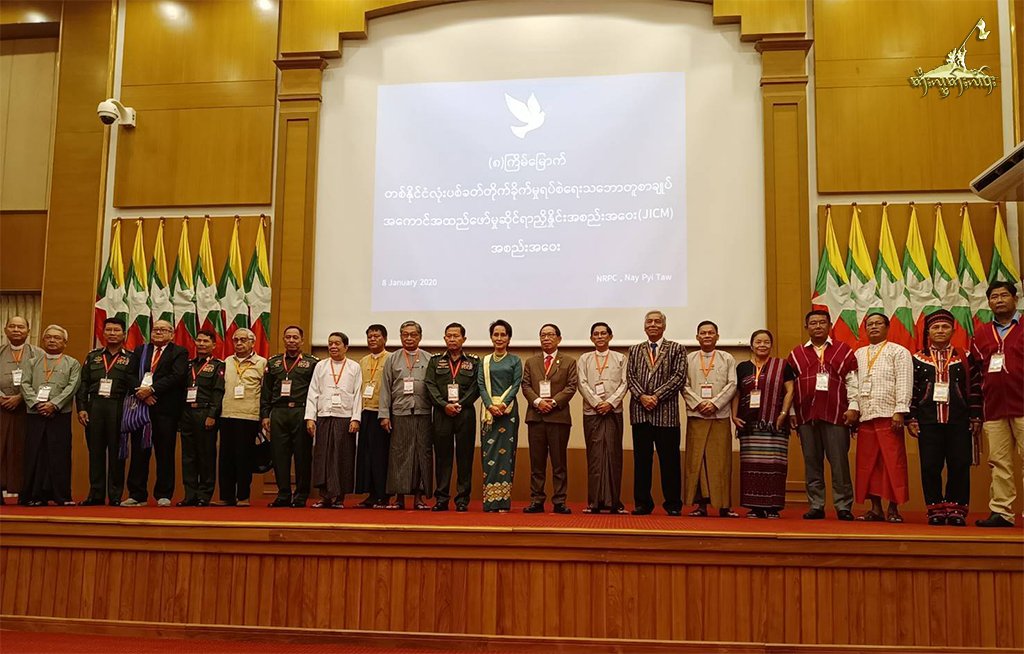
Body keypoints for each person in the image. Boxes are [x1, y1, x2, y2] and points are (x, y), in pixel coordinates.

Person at [908, 310, 982, 526]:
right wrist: (911, 418)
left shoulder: (965, 357)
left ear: (953, 330)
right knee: (930, 465)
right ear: (928, 332)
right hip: (927, 421)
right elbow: (911, 390)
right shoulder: (917, 359)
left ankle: (957, 508)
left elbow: (975, 388)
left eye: (945, 327)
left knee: (959, 464)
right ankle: (935, 508)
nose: (940, 331)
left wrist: (976, 416)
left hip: (959, 421)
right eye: (935, 327)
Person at [787, 310, 859, 521]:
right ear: (806, 327)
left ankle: (843, 505)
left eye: (822, 323)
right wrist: (791, 411)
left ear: (829, 326)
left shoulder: (843, 350)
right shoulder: (796, 354)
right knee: (812, 462)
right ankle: (816, 505)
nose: (817, 326)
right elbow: (788, 387)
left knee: (839, 463)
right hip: (806, 416)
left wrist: (854, 406)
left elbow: (852, 381)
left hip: (836, 413)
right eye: (813, 323)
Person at [971, 282, 1024, 527]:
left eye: (1004, 295)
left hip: (1023, 406)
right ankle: (1002, 512)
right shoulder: (980, 333)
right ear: (989, 302)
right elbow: (976, 372)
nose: (999, 300)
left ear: (1015, 298)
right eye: (994, 297)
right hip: (993, 409)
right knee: (999, 462)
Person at [852, 313, 912, 523]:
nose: (874, 327)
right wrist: (854, 409)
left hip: (889, 415)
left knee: (892, 463)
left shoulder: (899, 352)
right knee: (869, 464)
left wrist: (900, 411)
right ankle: (875, 508)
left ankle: (893, 508)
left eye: (878, 323)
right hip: (866, 415)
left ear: (887, 327)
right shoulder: (858, 354)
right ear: (865, 329)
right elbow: (852, 384)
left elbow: (904, 381)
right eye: (870, 324)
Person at [626, 310, 687, 516]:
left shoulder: (677, 349)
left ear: (664, 326)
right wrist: (643, 396)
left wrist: (656, 396)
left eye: (657, 321)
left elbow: (679, 377)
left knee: (669, 461)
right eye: (649, 321)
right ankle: (643, 503)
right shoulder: (634, 350)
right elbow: (630, 377)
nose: (653, 324)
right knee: (642, 461)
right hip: (640, 413)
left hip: (666, 415)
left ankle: (673, 504)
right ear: (644, 326)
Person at [123, 319, 188, 507]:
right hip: (141, 409)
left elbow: (177, 376)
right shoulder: (141, 350)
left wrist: (151, 390)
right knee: (139, 451)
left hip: (165, 409)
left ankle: (164, 494)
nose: (158, 332)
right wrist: (141, 393)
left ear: (171, 334)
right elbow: (129, 374)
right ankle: (137, 494)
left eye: (163, 329)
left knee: (165, 452)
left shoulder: (179, 352)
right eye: (155, 329)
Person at [730, 329, 794, 518]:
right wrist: (734, 417)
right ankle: (755, 506)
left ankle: (773, 507)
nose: (762, 345)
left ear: (771, 345)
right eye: (758, 342)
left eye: (766, 342)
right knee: (752, 466)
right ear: (751, 345)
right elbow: (737, 393)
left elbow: (790, 390)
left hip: (775, 424)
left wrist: (783, 414)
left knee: (775, 466)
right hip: (749, 425)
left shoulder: (782, 365)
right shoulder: (742, 367)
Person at [76, 317, 138, 505]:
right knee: (95, 452)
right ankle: (95, 495)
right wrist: (81, 409)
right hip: (95, 407)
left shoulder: (131, 358)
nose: (112, 333)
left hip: (118, 406)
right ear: (103, 333)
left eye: (116, 330)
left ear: (124, 334)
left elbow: (135, 386)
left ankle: (115, 495)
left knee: (116, 452)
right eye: (109, 330)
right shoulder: (92, 356)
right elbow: (83, 384)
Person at [19, 325, 81, 506]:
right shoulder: (31, 362)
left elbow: (72, 387)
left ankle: (61, 496)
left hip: (60, 414)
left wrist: (54, 404)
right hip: (35, 412)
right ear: (43, 340)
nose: (52, 341)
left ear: (65, 342)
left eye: (57, 338)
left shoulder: (72, 363)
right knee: (35, 453)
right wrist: (38, 404)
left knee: (59, 454)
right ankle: (34, 496)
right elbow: (24, 384)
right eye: (49, 337)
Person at [683, 320, 738, 517]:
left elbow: (732, 384)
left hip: (719, 415)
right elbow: (684, 385)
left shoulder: (727, 358)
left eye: (711, 333)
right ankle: (701, 505)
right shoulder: (689, 358)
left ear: (717, 336)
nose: (707, 336)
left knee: (721, 461)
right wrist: (699, 403)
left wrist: (715, 403)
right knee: (697, 460)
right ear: (697, 337)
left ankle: (724, 505)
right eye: (703, 333)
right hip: (697, 415)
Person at [522, 323, 578, 514]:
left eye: (550, 335)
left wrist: (553, 403)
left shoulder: (569, 361)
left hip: (558, 418)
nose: (546, 338)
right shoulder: (531, 362)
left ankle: (559, 501)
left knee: (559, 463)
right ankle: (536, 500)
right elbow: (526, 386)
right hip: (536, 418)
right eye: (543, 335)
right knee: (536, 463)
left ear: (559, 339)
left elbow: (571, 387)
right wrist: (538, 402)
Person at [424, 323, 480, 512]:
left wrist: (460, 404)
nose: (452, 339)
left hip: (465, 413)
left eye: (456, 336)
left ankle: (462, 500)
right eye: (449, 336)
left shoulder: (473, 361)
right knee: (442, 457)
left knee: (465, 457)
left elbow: (476, 387)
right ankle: (441, 498)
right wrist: (444, 405)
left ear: (464, 339)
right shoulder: (435, 361)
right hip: (442, 413)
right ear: (444, 338)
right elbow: (430, 385)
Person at [261, 326, 318, 508]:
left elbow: (315, 391)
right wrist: (265, 415)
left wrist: (311, 417)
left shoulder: (312, 363)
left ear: (302, 340)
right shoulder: (274, 363)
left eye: (295, 337)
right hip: (278, 412)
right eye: (288, 337)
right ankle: (283, 494)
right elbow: (266, 391)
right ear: (284, 340)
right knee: (279, 456)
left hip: (301, 412)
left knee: (302, 455)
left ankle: (301, 494)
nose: (291, 340)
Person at [379, 321, 433, 510]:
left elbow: (434, 388)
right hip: (399, 413)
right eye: (405, 334)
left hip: (423, 412)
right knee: (399, 455)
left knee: (421, 455)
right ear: (400, 336)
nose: (409, 338)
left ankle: (419, 497)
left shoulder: (429, 358)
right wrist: (384, 415)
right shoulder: (392, 359)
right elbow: (385, 389)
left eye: (413, 335)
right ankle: (399, 498)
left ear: (420, 336)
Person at [305, 331, 362, 509]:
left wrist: (355, 418)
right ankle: (325, 496)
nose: (333, 346)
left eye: (337, 343)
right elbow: (313, 392)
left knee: (342, 457)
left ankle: (339, 498)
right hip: (324, 416)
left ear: (346, 347)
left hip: (345, 418)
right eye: (330, 343)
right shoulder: (321, 366)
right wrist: (310, 418)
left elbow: (358, 394)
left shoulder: (354, 367)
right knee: (323, 457)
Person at [577, 322, 628, 514]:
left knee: (613, 455)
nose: (599, 337)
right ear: (591, 338)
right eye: (596, 334)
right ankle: (594, 502)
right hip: (592, 412)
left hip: (613, 412)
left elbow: (625, 383)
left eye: (603, 333)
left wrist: (611, 403)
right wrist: (597, 402)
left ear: (610, 336)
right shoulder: (584, 359)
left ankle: (614, 502)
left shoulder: (620, 358)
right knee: (595, 456)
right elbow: (582, 383)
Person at [218, 328, 267, 507]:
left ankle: (243, 496)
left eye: (243, 340)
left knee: (244, 458)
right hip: (227, 414)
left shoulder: (261, 363)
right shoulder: (226, 362)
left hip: (249, 415)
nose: (239, 343)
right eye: (236, 340)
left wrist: (263, 416)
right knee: (226, 458)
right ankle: (227, 496)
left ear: (252, 343)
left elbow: (265, 392)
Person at [477, 319, 522, 513]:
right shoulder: (484, 361)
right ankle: (490, 502)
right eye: (496, 334)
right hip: (489, 414)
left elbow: (516, 384)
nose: (499, 338)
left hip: (508, 412)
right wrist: (490, 405)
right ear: (491, 337)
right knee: (489, 456)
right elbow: (481, 385)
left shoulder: (515, 361)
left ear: (509, 338)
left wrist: (503, 404)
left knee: (506, 457)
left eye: (503, 334)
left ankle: (503, 502)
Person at [178, 329, 224, 506]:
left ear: (213, 345)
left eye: (206, 341)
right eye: (199, 341)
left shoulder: (218, 366)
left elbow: (218, 392)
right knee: (188, 456)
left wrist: (212, 415)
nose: (202, 344)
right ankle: (190, 494)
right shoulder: (187, 365)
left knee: (206, 455)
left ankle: (204, 494)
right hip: (187, 413)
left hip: (205, 413)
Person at [1, 316, 42, 504]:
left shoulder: (38, 354)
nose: (16, 330)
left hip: (27, 410)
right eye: (12, 326)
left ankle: (26, 493)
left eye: (21, 327)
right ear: (5, 330)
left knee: (24, 450)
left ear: (28, 330)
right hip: (1, 407)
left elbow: (44, 381)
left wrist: (21, 397)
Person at [355, 324, 390, 509]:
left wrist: (387, 414)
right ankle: (370, 494)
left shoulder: (391, 358)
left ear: (385, 338)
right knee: (366, 454)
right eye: (369, 336)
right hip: (365, 411)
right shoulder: (362, 361)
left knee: (380, 455)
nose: (373, 339)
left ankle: (382, 494)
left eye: (376, 336)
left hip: (381, 413)